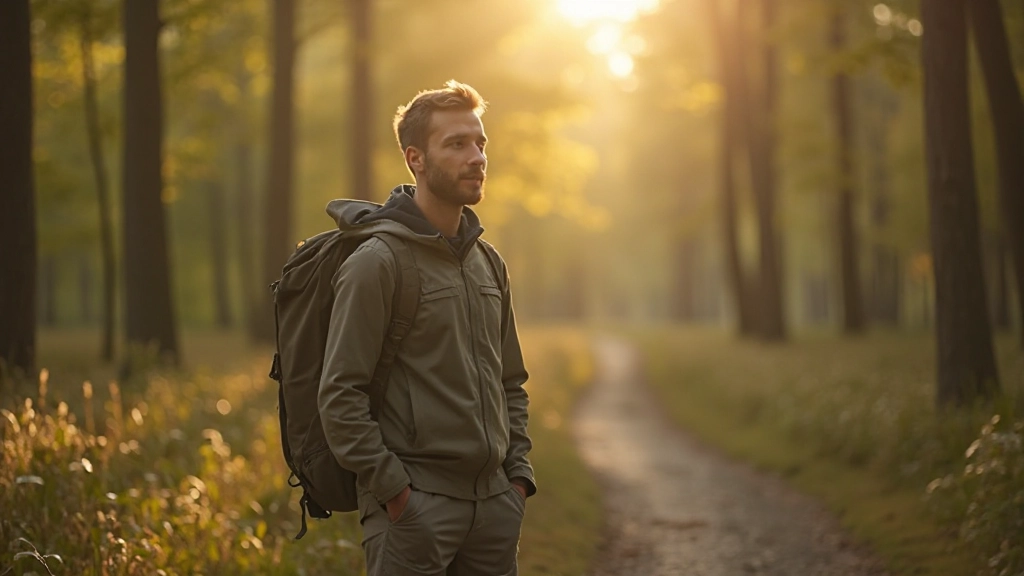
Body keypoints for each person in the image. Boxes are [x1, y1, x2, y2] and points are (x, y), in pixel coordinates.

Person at [318, 80, 535, 576]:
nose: (477, 157)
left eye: (480, 143)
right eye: (456, 144)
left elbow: (510, 383)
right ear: (416, 159)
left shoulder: (488, 263)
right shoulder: (377, 262)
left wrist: (516, 478)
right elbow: (340, 395)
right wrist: (395, 492)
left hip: (494, 509)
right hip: (415, 512)